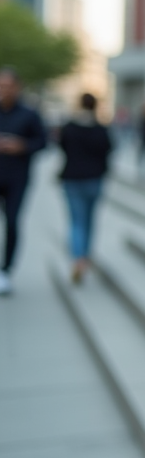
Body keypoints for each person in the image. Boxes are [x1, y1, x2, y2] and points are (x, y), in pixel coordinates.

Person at [0, 67, 47, 295]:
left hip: (17, 178)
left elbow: (43, 142)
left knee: (11, 222)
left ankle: (6, 270)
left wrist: (22, 146)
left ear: (17, 87)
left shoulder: (29, 114)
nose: (4, 90)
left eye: (8, 86)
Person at [58, 93, 112, 284]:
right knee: (89, 220)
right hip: (94, 179)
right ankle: (85, 256)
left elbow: (62, 147)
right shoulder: (100, 129)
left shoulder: (70, 128)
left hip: (72, 178)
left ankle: (78, 258)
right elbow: (108, 150)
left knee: (76, 221)